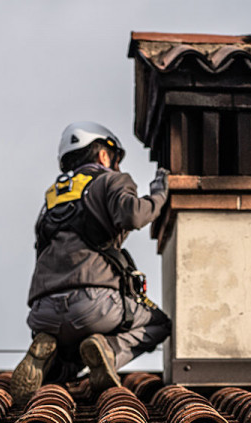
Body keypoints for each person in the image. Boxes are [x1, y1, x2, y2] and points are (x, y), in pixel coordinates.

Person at [12, 121, 172, 404]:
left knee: (66, 366)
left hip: (44, 312)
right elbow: (134, 215)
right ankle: (107, 350)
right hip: (94, 305)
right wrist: (159, 194)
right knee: (159, 324)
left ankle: (50, 360)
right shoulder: (111, 180)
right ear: (103, 156)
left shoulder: (51, 198)